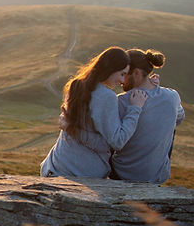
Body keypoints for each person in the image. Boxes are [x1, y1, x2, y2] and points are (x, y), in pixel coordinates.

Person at [40, 47, 149, 178]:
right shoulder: (107, 96)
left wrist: (72, 130)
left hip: (55, 165)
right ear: (111, 69)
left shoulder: (77, 85)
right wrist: (135, 108)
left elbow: (73, 129)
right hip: (80, 175)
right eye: (122, 74)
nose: (122, 80)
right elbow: (117, 142)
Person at [110, 48, 184, 184]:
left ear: (136, 73)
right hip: (157, 177)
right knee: (170, 124)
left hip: (121, 174)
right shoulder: (172, 96)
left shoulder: (121, 101)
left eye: (124, 74)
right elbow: (179, 118)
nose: (121, 80)